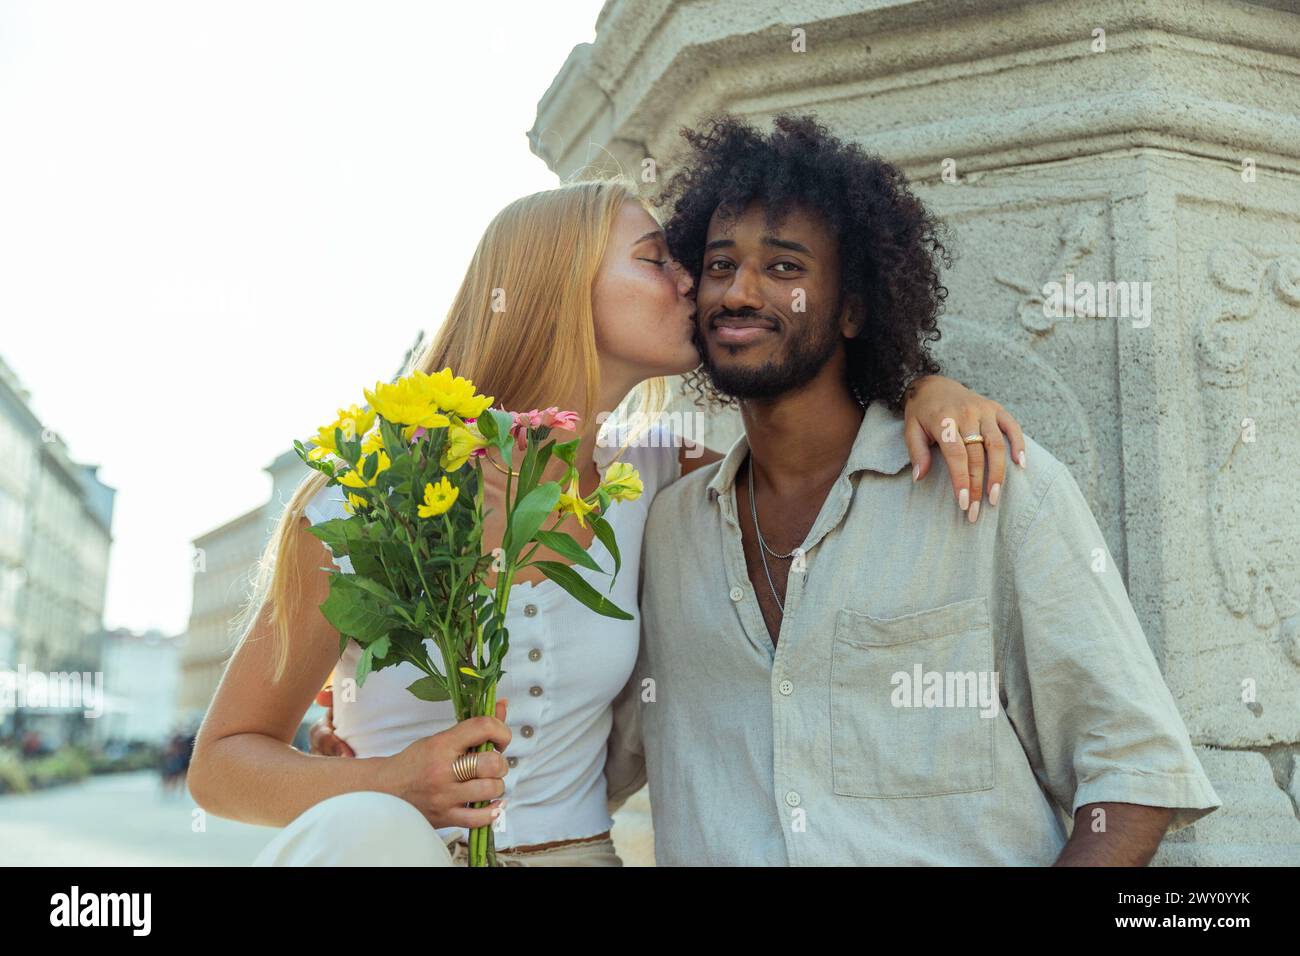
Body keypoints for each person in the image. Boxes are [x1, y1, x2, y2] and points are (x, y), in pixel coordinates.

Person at [189, 175, 1023, 867]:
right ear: (559, 286)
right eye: (657, 259)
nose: (694, 282)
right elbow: (222, 764)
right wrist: (388, 784)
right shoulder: (364, 505)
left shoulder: (661, 477)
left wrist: (919, 388)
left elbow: (817, 437)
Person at [614, 114, 1222, 866]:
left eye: (783, 269)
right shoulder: (664, 529)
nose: (739, 291)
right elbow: (580, 752)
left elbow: (1134, 772)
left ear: (852, 309)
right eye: (718, 265)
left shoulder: (990, 484)